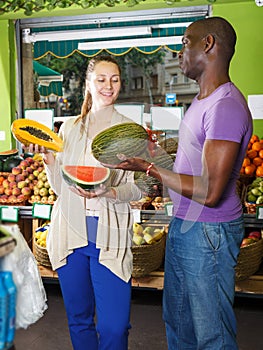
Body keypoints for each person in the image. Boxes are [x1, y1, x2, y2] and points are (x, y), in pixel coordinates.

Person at [105, 17, 253, 349]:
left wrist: (149, 168)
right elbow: (190, 165)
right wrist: (150, 154)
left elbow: (210, 191)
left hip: (208, 233)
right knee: (180, 323)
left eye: (185, 42)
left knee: (211, 333)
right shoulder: (202, 102)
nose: (179, 50)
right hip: (187, 227)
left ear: (209, 44)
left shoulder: (225, 105)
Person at [24, 55, 142, 350]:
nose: (108, 85)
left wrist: (110, 193)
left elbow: (140, 188)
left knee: (114, 327)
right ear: (88, 85)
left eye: (114, 79)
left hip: (109, 237)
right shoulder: (69, 129)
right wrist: (49, 159)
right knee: (79, 319)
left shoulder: (130, 131)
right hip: (69, 233)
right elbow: (60, 188)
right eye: (101, 79)